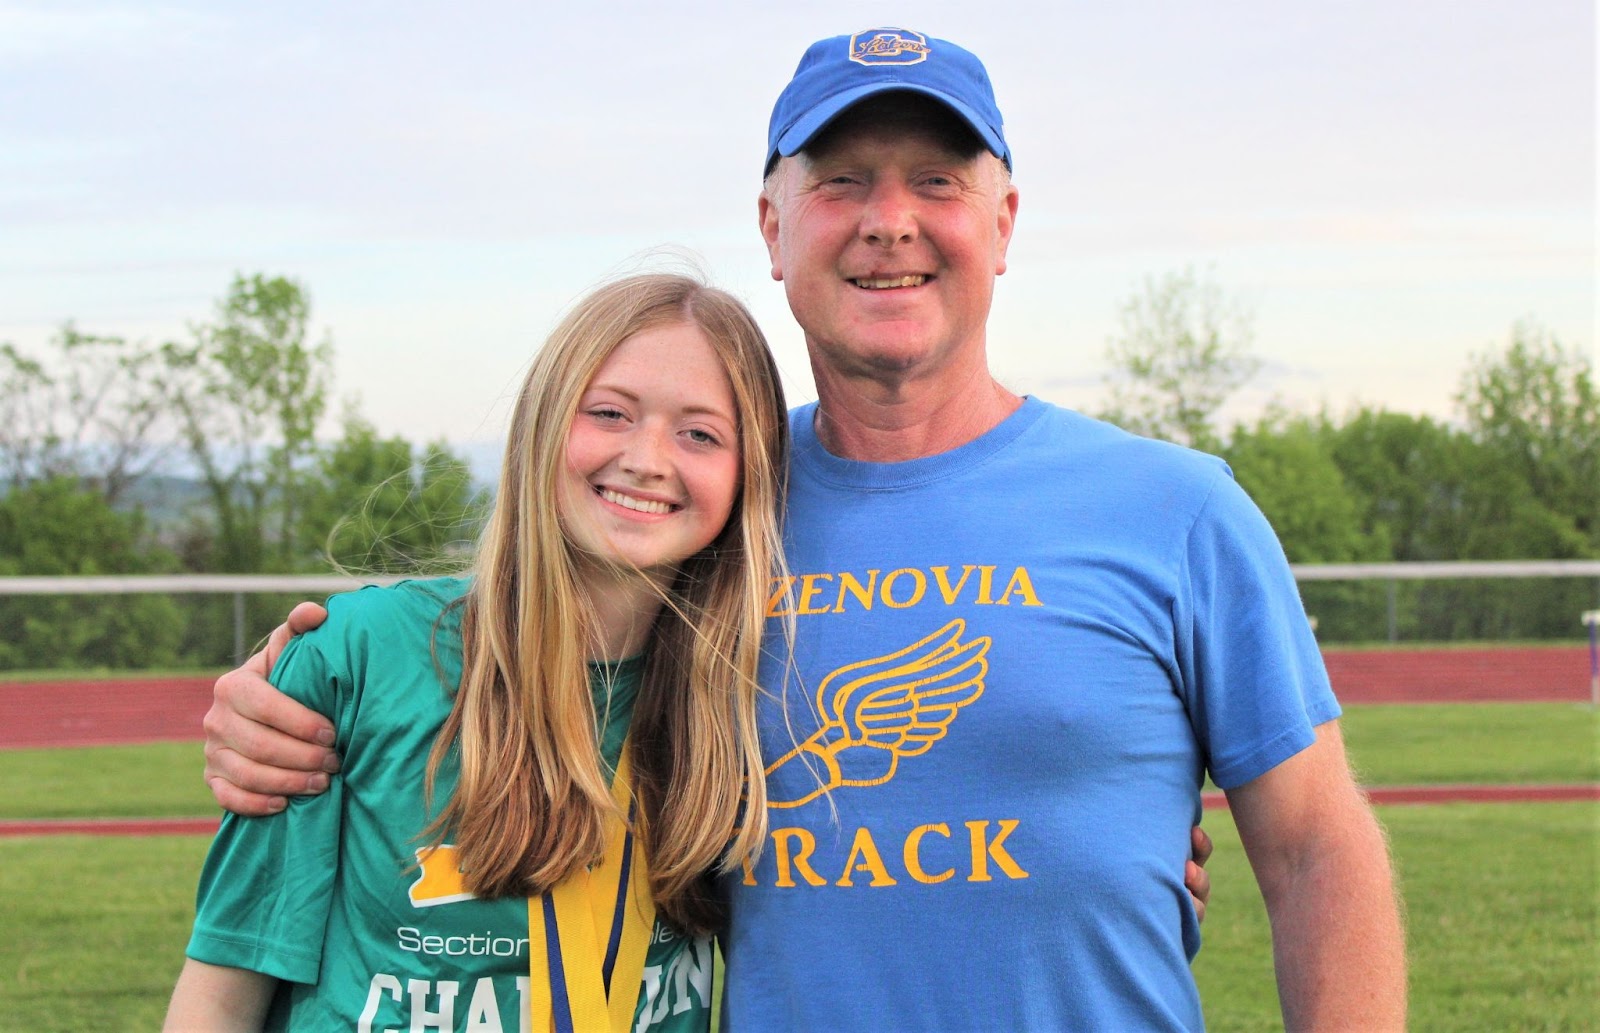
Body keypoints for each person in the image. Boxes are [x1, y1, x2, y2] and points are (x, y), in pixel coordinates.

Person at [200, 28, 1405, 1032]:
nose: (889, 220)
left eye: (937, 181)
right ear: (773, 226)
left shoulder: (1175, 509)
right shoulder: (708, 499)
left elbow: (1312, 853)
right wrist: (298, 697)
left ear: (1004, 221)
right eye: (840, 182)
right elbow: (520, 624)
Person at [164, 273, 791, 1031]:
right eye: (609, 413)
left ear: (749, 474)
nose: (648, 458)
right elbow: (221, 993)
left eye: (701, 433)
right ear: (541, 423)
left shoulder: (749, 697)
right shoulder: (361, 657)